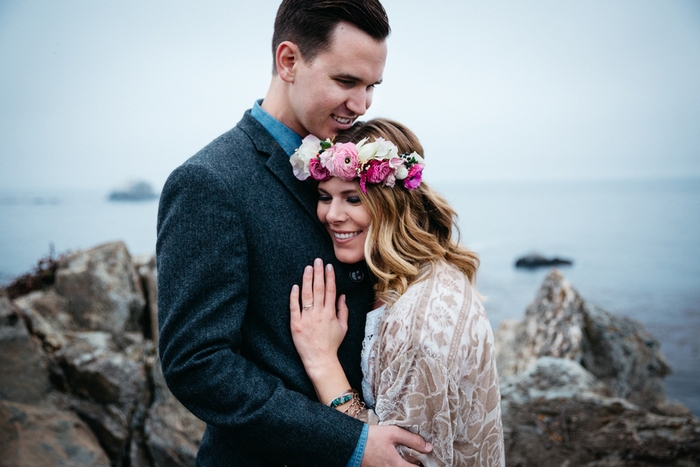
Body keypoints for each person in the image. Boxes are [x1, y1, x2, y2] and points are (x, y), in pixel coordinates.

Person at [156, 1, 433, 466]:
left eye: (370, 86)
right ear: (288, 61)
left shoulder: (352, 160)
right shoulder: (209, 181)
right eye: (346, 82)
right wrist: (351, 442)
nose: (361, 104)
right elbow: (197, 365)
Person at [288, 119, 506, 466]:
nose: (332, 215)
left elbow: (399, 460)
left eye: (353, 198)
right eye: (324, 197)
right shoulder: (411, 278)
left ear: (392, 203)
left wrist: (322, 361)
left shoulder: (421, 324)